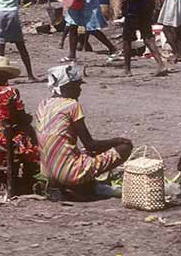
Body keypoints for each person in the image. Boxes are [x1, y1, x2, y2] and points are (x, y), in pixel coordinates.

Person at [36, 63, 133, 193]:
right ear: (67, 86)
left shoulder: (43, 104)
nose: (80, 90)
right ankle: (77, 182)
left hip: (47, 172)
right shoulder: (72, 105)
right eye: (77, 86)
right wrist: (118, 141)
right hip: (68, 173)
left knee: (80, 151)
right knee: (124, 148)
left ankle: (70, 181)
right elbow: (90, 145)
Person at [122, 0, 167, 77]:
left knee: (127, 40)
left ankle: (127, 69)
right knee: (148, 38)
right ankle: (160, 64)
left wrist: (124, 1)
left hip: (133, 11)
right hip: (145, 11)